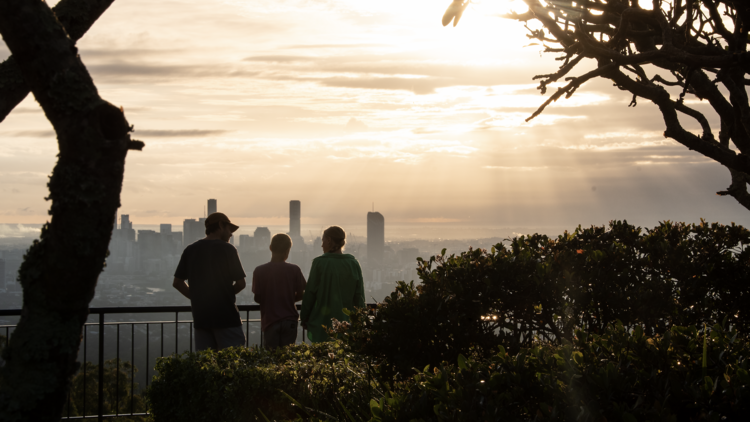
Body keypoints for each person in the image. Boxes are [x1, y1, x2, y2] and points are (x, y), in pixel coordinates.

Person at [173, 212, 247, 351]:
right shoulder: (228, 249)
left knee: (206, 366)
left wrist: (198, 298)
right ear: (220, 225)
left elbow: (177, 282)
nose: (231, 234)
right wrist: (224, 296)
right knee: (233, 364)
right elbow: (241, 283)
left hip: (202, 319)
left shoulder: (190, 249)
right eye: (229, 229)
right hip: (226, 318)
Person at [300, 226, 365, 343]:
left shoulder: (319, 263)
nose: (321, 245)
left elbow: (310, 294)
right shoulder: (353, 264)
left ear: (329, 240)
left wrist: (304, 317)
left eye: (323, 241)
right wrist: (360, 320)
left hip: (322, 323)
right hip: (347, 324)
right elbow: (359, 296)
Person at [252, 233, 306, 350]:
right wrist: (289, 299)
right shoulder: (294, 269)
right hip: (290, 320)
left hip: (270, 321)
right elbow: (301, 294)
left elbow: (257, 298)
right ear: (288, 250)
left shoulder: (259, 271)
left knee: (271, 358)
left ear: (270, 248)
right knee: (287, 358)